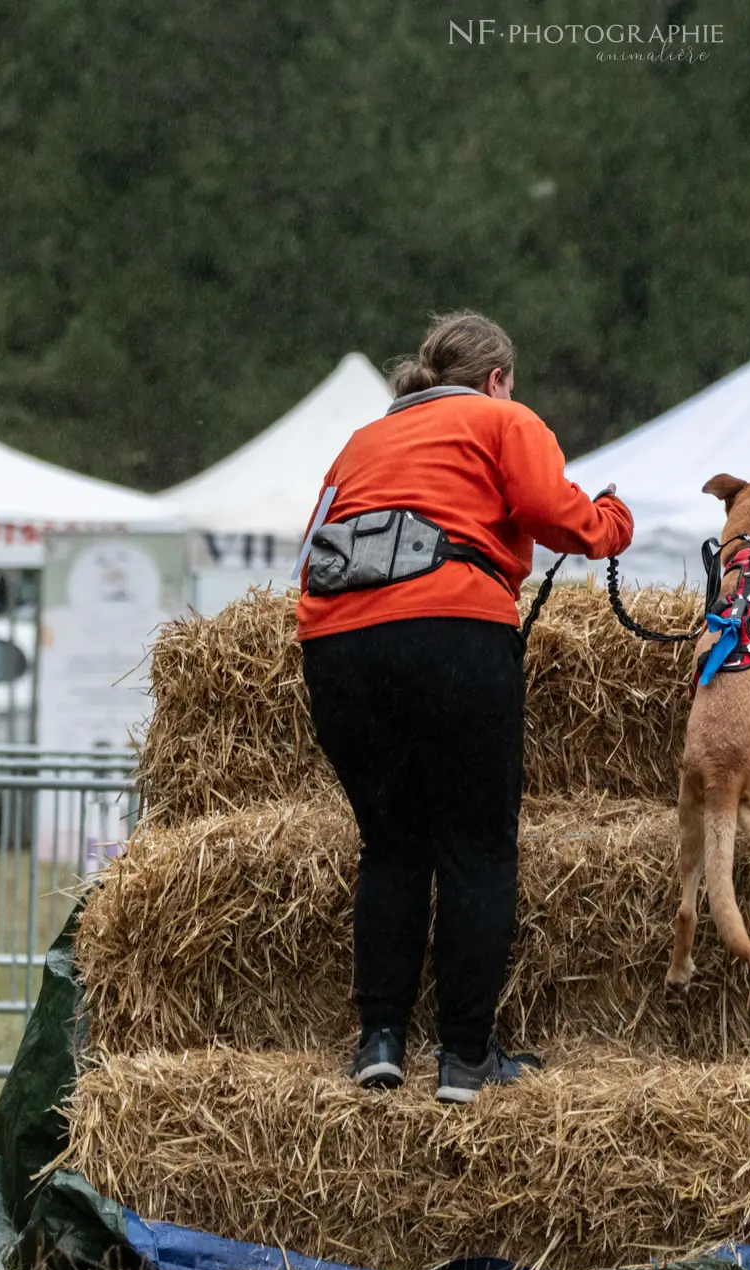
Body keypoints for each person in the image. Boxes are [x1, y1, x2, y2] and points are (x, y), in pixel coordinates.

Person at [295, 311, 634, 1104]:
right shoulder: (501, 418)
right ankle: (465, 1055)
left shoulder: (361, 441)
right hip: (451, 630)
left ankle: (379, 1041)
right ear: (497, 378)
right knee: (476, 848)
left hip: (337, 647)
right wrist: (614, 520)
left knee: (390, 845)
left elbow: (313, 544)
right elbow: (560, 516)